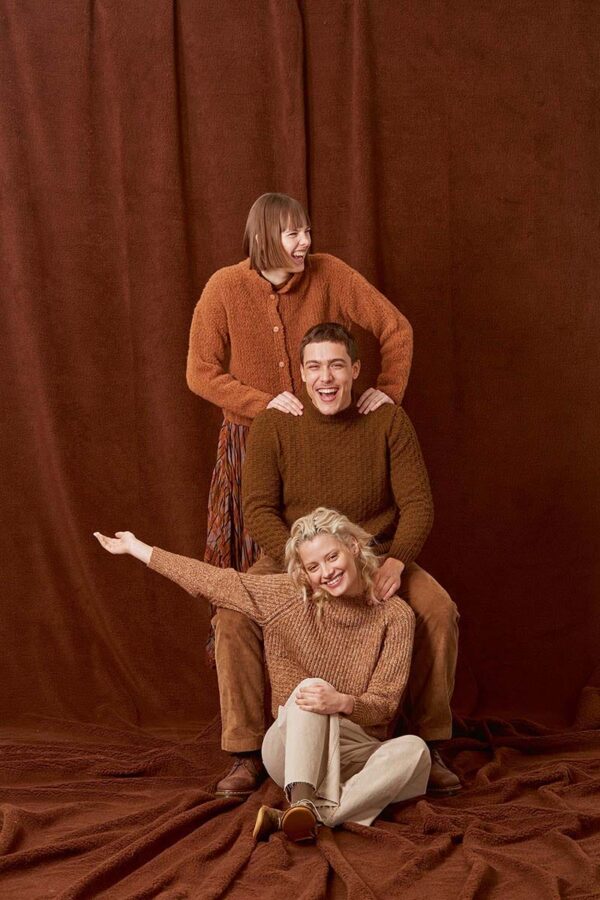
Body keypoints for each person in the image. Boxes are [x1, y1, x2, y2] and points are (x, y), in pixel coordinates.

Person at [213, 322, 460, 797]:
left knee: (438, 609)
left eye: (336, 366)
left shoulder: (388, 421)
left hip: (376, 552)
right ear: (302, 374)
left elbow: (418, 506)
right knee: (232, 615)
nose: (325, 378)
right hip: (292, 553)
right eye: (314, 367)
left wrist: (396, 562)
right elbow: (257, 509)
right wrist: (301, 567)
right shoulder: (275, 423)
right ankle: (246, 752)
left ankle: (432, 743)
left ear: (355, 370)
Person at [94, 508, 431, 843]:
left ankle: (304, 816)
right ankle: (304, 802)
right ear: (304, 571)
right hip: (291, 746)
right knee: (312, 689)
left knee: (416, 751)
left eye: (332, 557)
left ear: (353, 547)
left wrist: (343, 703)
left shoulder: (395, 616)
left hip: (353, 751)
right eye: (313, 567)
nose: (327, 572)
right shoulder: (288, 597)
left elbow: (384, 706)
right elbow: (213, 581)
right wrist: (137, 548)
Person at [186, 192, 413, 573]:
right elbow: (200, 371)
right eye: (293, 234)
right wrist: (263, 404)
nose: (305, 242)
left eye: (306, 232)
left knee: (325, 556)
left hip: (321, 441)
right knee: (252, 560)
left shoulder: (330, 274)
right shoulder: (224, 287)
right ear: (262, 238)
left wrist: (388, 391)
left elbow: (396, 329)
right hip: (248, 439)